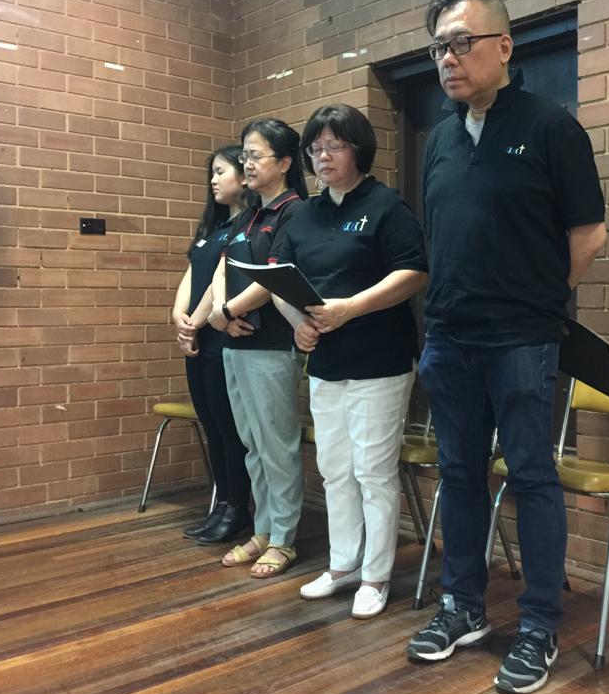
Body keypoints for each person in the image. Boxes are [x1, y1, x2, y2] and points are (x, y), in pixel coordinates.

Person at [405, 0, 607, 694]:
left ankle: (539, 624)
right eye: (439, 47)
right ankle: (462, 606)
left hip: (522, 339)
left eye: (462, 42)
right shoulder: (439, 140)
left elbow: (589, 234)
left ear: (504, 46)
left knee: (530, 477)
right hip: (449, 339)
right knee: (458, 474)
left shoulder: (551, 127)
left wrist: (540, 302)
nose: (448, 58)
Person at [274, 103, 428, 619]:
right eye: (315, 148)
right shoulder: (305, 214)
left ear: (358, 150)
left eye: (334, 146)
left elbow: (414, 273)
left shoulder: (385, 205)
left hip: (379, 360)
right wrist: (298, 322)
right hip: (326, 362)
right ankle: (343, 566)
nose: (322, 157)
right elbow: (280, 277)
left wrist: (351, 308)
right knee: (334, 469)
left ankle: (376, 576)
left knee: (373, 472)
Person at [207, 119, 307, 579]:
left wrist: (228, 311)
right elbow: (224, 266)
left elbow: (274, 277)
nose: (246, 163)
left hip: (271, 345)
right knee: (252, 444)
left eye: (255, 155)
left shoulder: (294, 211)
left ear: (284, 163)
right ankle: (264, 529)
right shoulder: (248, 215)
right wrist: (219, 312)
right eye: (244, 155)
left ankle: (284, 538)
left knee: (277, 445)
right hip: (235, 343)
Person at [172, 145, 253, 546]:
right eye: (213, 173)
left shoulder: (247, 226)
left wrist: (197, 321)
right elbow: (192, 275)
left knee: (228, 426)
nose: (214, 180)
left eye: (221, 171)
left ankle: (238, 507)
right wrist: (178, 316)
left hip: (223, 337)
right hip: (198, 338)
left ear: (244, 175)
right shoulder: (213, 227)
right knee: (211, 425)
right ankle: (221, 504)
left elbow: (220, 281)